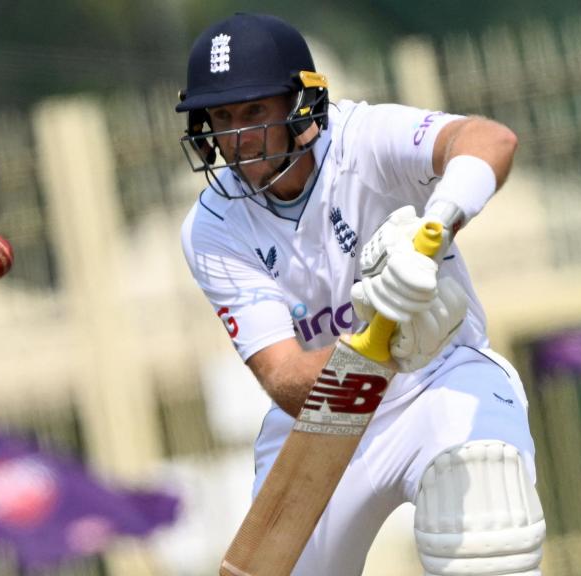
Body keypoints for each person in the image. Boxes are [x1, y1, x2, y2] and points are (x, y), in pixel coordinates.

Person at [176, 12, 546, 576]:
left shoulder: (363, 139)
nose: (239, 137)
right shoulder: (212, 227)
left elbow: (491, 139)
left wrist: (436, 229)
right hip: (325, 414)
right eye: (222, 117)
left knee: (490, 538)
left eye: (255, 111)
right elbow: (287, 382)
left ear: (301, 104)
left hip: (437, 381)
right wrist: (384, 333)